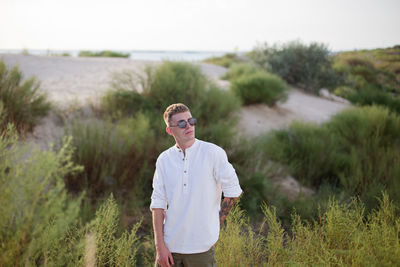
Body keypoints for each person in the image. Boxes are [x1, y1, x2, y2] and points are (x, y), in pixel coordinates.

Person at [150, 103, 243, 267]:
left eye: (190, 120)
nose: (188, 126)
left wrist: (216, 226)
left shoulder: (213, 153)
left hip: (201, 249)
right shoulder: (164, 159)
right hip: (169, 248)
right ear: (170, 130)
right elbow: (157, 204)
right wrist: (160, 247)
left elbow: (233, 191)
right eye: (181, 123)